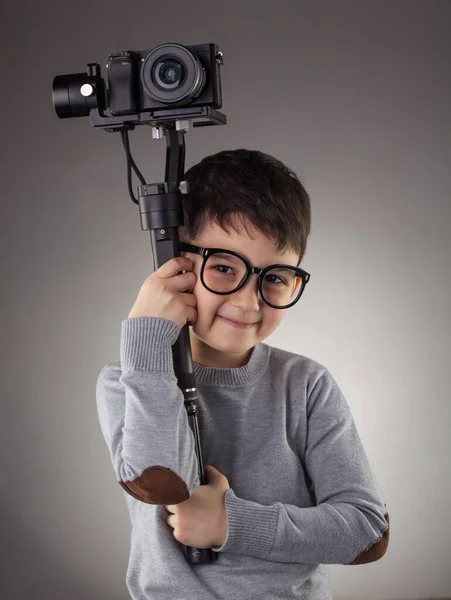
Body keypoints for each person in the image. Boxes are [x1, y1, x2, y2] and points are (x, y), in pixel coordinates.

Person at [96, 148, 390, 600]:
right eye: (222, 267)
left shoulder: (305, 385)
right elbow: (161, 480)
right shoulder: (128, 380)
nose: (248, 302)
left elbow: (367, 532)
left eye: (274, 277)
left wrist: (233, 524)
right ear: (177, 263)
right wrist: (146, 336)